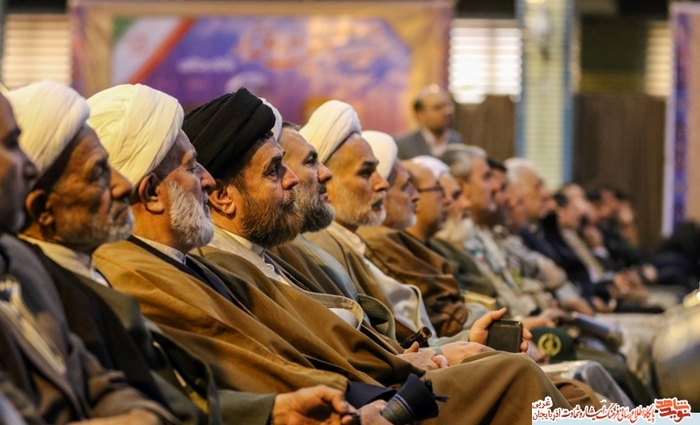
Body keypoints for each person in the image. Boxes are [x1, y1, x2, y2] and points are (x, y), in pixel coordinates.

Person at [86, 84, 385, 425]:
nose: (208, 181)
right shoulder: (131, 278)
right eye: (192, 167)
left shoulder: (183, 262)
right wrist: (352, 401)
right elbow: (227, 379)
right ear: (152, 192)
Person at [0, 85, 175, 424]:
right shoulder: (49, 269)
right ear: (43, 210)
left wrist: (143, 416)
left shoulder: (21, 262)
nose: (30, 168)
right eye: (10, 145)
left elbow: (99, 383)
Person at [355, 135, 490, 338]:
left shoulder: (392, 238)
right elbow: (448, 319)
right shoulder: (378, 240)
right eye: (406, 187)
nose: (415, 196)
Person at [394, 85, 462, 159]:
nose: (446, 111)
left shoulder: (456, 140)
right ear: (419, 114)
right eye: (437, 108)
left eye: (447, 105)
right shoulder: (403, 145)